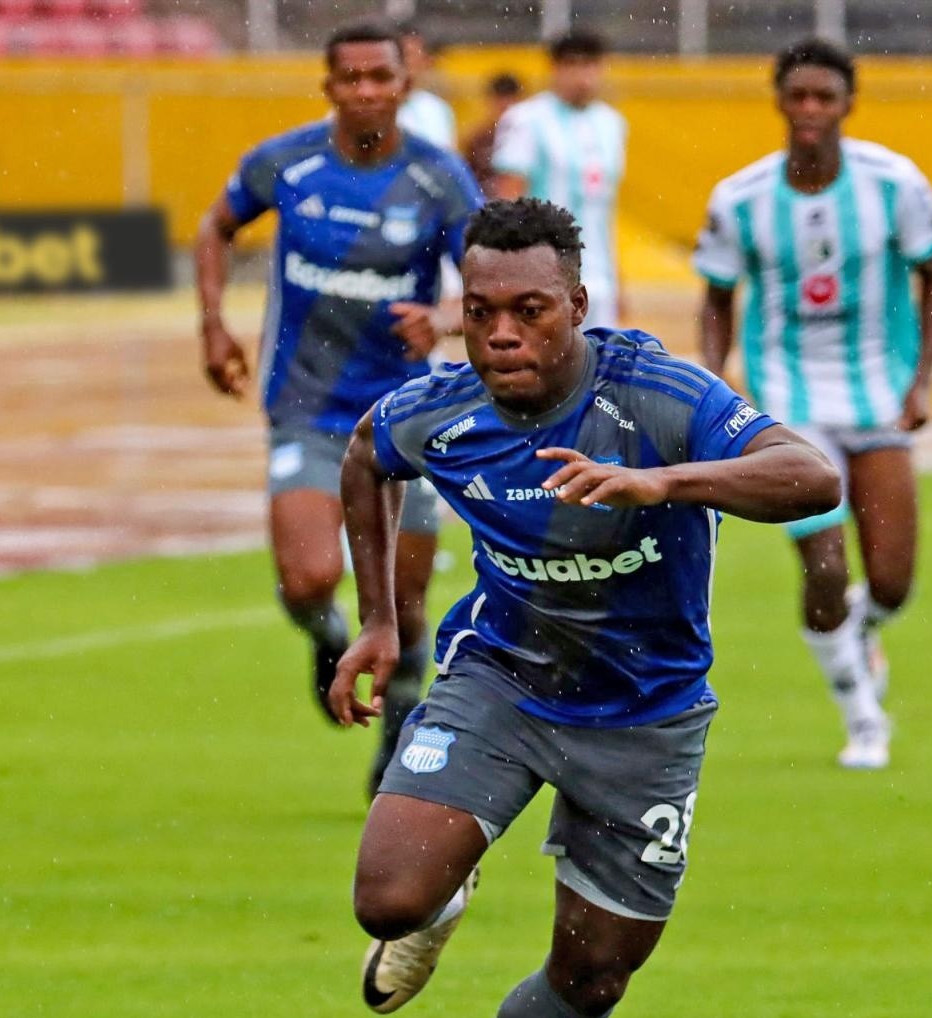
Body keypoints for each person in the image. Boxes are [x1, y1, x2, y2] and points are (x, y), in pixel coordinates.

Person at [328, 199, 843, 1018]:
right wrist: (378, 619)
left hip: (646, 715)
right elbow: (366, 458)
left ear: (578, 302)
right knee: (386, 897)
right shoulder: (439, 408)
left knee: (596, 971)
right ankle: (442, 899)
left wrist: (664, 483)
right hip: (503, 679)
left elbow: (810, 477)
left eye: (531, 309)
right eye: (480, 311)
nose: (503, 332)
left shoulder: (653, 395)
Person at [193, 21, 483, 792]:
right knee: (309, 576)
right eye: (348, 78)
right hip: (308, 407)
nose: (364, 91)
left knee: (404, 601)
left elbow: (491, 284)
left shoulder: (438, 178)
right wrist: (213, 322)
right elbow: (215, 228)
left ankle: (400, 720)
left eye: (378, 77)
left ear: (403, 85)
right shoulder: (286, 162)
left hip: (405, 422)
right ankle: (327, 637)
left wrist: (448, 319)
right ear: (328, 87)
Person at [694, 39, 932, 771]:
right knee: (827, 565)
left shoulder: (893, 184)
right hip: (787, 402)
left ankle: (859, 634)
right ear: (778, 100)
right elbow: (716, 297)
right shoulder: (740, 197)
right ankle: (863, 716)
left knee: (893, 580)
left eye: (824, 98)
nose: (809, 110)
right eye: (797, 96)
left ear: (847, 104)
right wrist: (714, 386)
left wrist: (921, 378)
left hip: (875, 396)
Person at [488, 30, 624, 329]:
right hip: (544, 274)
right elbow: (508, 201)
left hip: (599, 276)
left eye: (590, 65)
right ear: (555, 68)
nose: (582, 75)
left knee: (602, 368)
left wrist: (619, 279)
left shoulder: (612, 124)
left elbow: (604, 209)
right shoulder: (526, 119)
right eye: (572, 65)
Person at [393, 21, 456, 151]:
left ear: (426, 61)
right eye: (399, 55)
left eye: (409, 55)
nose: (404, 62)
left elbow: (443, 161)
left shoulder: (437, 109)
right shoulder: (369, 106)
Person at [461, 72, 523, 197]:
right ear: (490, 100)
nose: (505, 105)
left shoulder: (530, 137)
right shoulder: (478, 140)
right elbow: (467, 181)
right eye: (500, 100)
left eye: (510, 100)